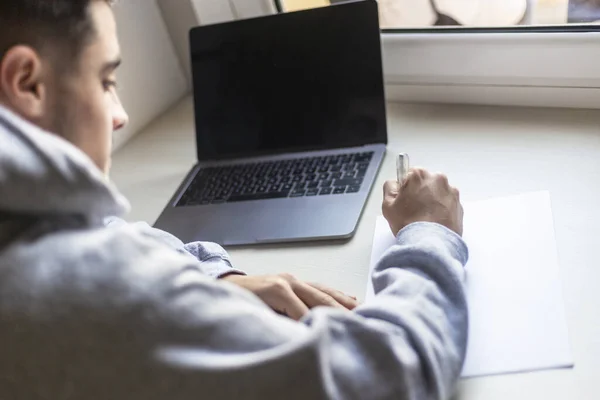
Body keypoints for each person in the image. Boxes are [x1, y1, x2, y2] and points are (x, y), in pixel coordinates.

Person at [0, 1, 468, 399]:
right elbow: (393, 377)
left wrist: (213, 277)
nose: (120, 115)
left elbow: (103, 231)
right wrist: (429, 234)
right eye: (105, 81)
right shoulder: (100, 294)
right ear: (27, 83)